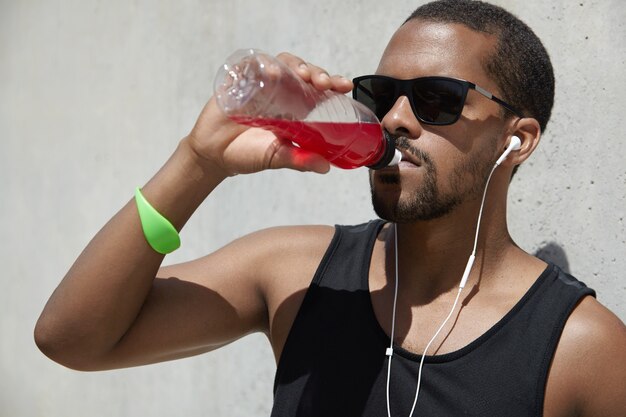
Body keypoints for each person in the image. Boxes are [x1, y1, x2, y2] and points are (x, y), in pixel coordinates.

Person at [34, 1, 625, 416]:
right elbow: (73, 339)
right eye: (380, 94)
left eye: (435, 99)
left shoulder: (580, 348)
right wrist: (198, 162)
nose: (395, 119)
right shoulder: (296, 270)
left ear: (515, 139)